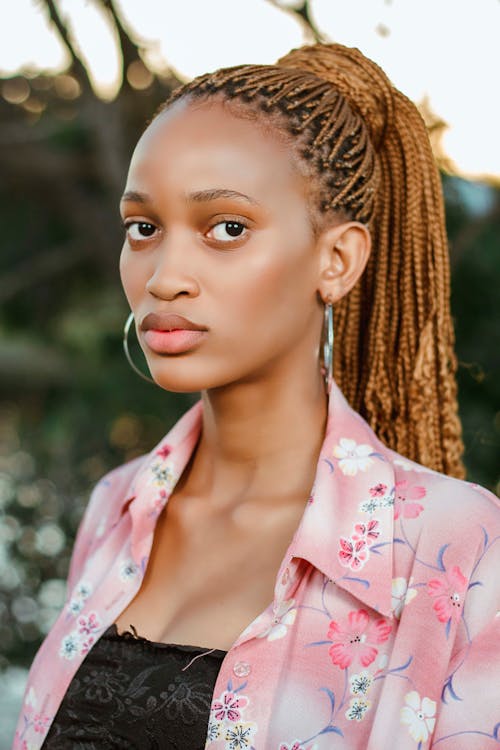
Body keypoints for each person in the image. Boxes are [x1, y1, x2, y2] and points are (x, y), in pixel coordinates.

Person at [12, 42, 499, 750]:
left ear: (337, 260)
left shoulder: (456, 548)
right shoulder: (116, 506)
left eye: (227, 229)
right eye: (143, 228)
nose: (165, 276)